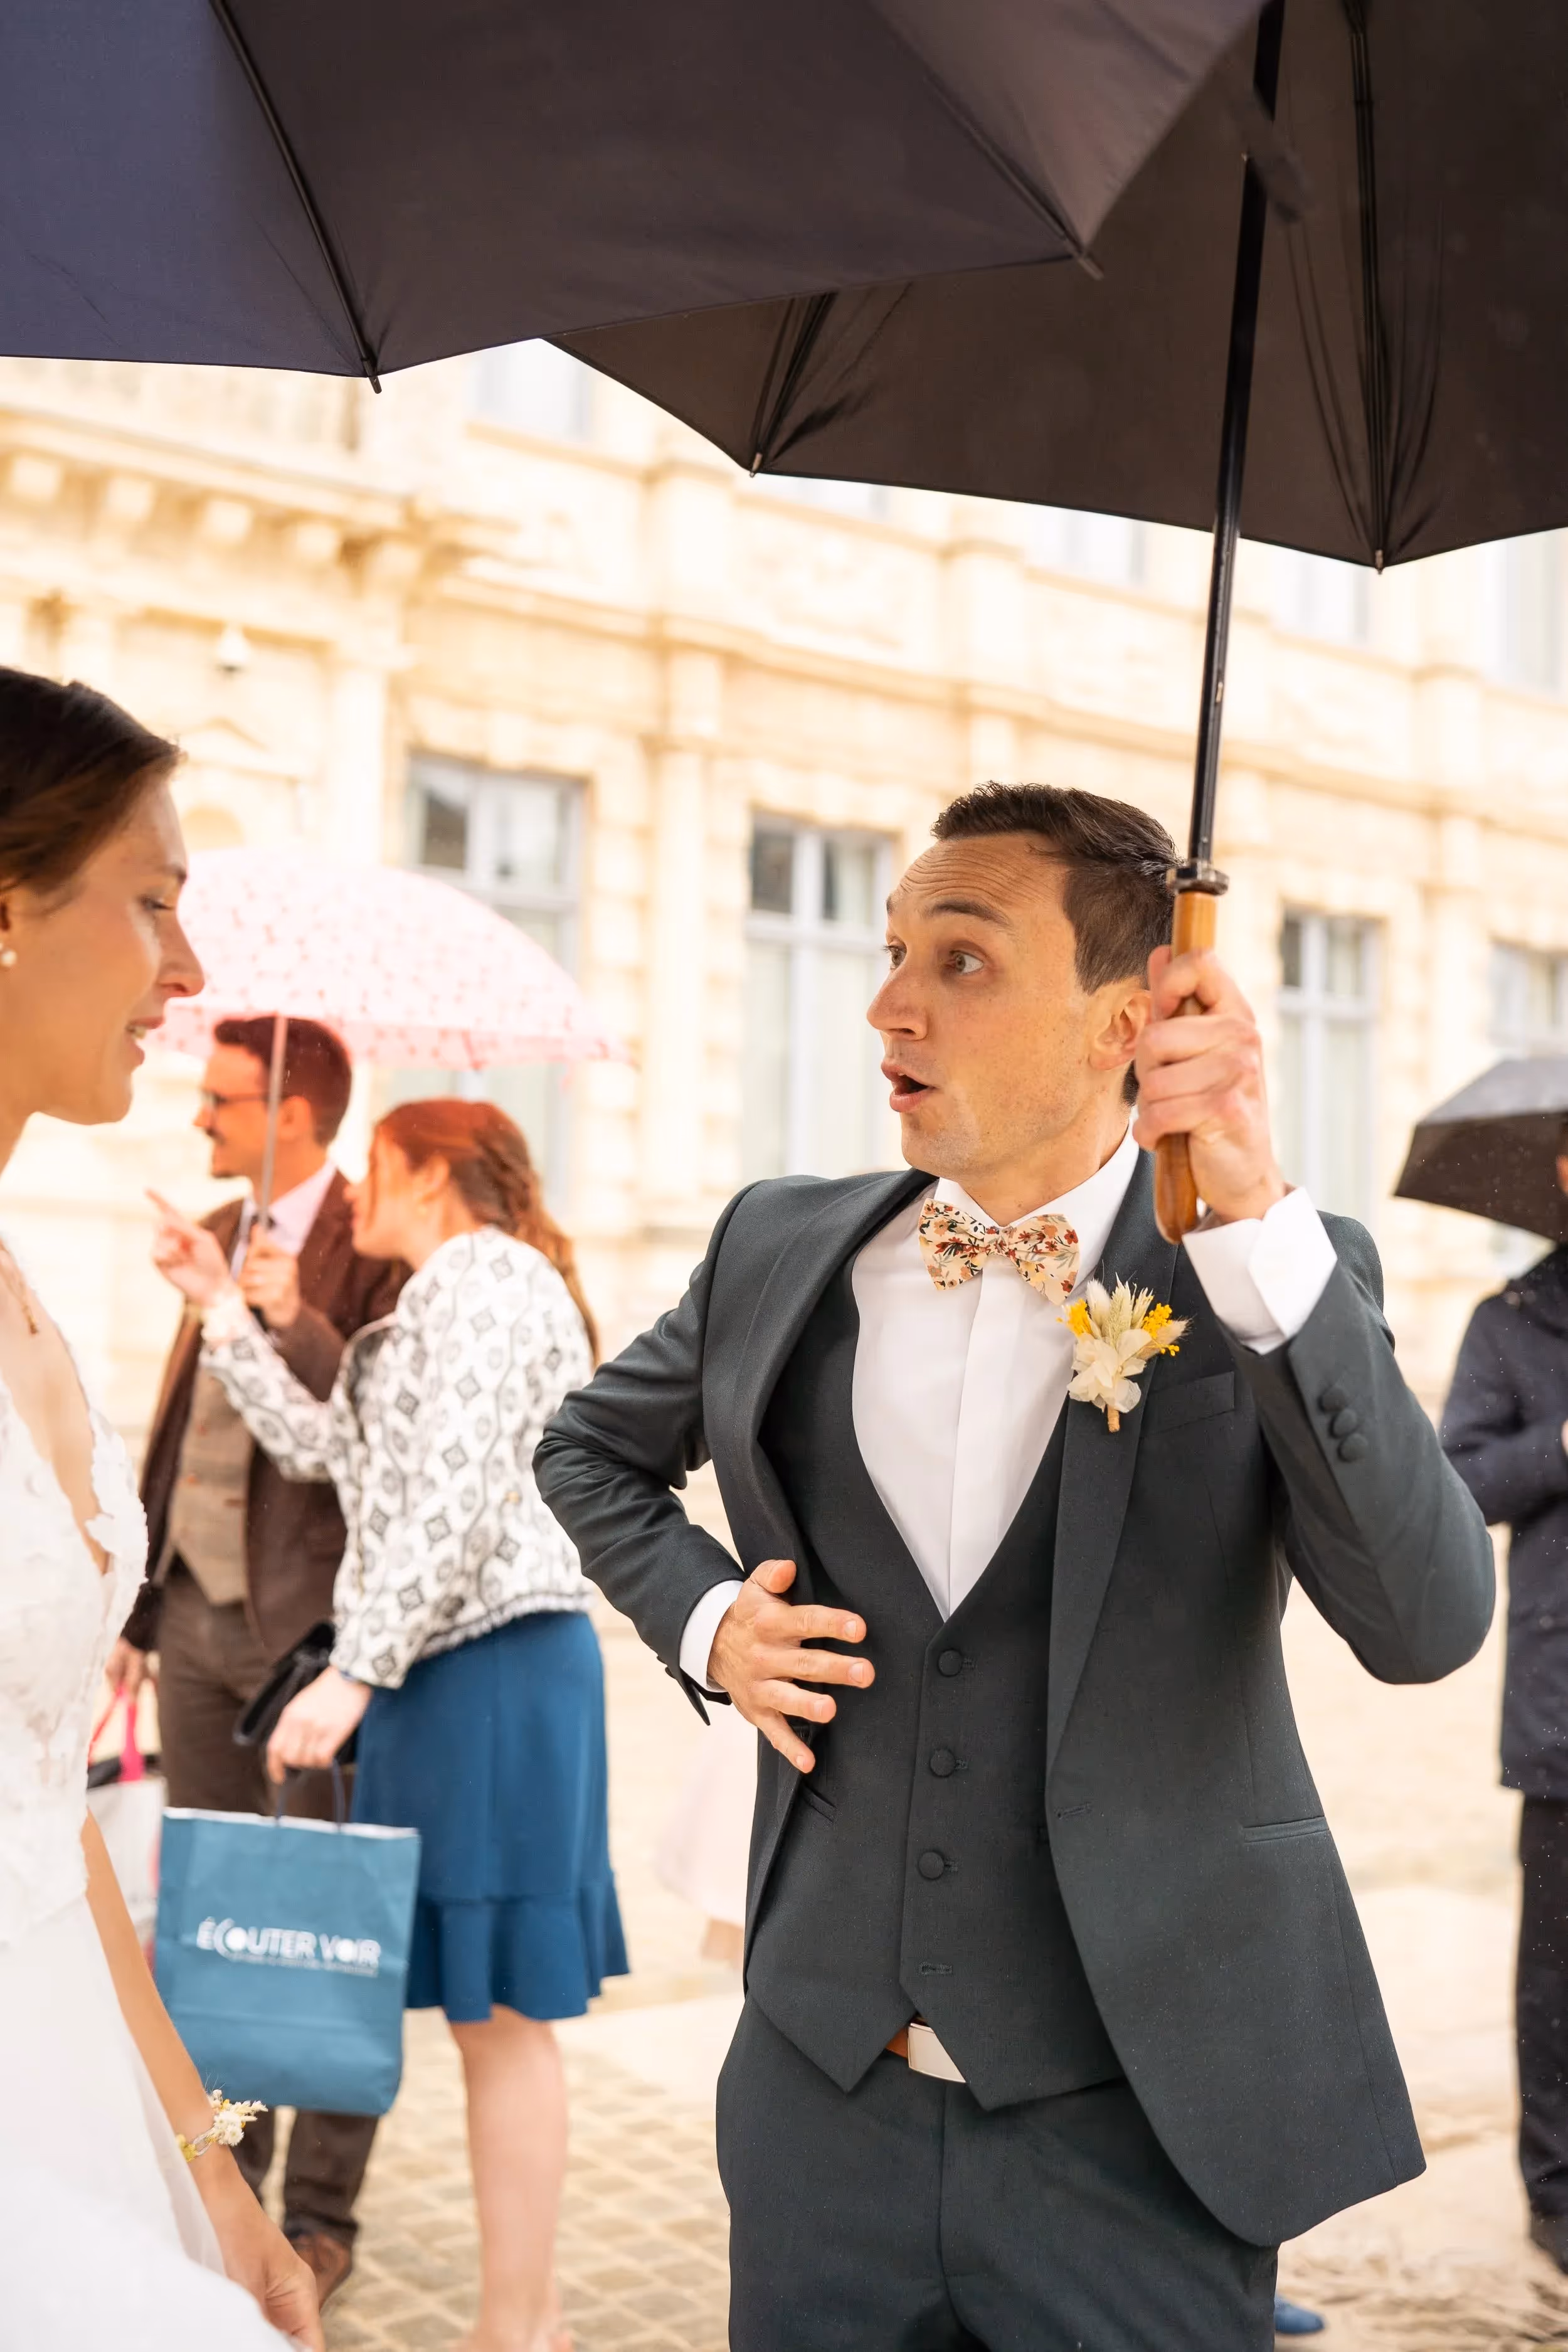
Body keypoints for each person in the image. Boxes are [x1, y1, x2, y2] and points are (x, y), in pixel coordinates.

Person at [535, 781, 1495, 2352]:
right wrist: (709, 1622)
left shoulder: (1266, 1273)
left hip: (1142, 2123)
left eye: (961, 960)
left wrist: (1252, 1220)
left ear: (1130, 1020)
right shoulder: (780, 1248)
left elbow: (1424, 1621)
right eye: (892, 951)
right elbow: (587, 1450)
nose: (888, 1006)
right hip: (818, 2103)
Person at [151, 1096, 627, 2352]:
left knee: (502, 2017)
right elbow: (324, 1452)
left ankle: (517, 2331)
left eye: (374, 1165)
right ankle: (525, 2322)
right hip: (448, 1674)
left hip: (491, 1672)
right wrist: (219, 1305)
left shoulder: (490, 1278)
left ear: (428, 1172)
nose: (356, 1190)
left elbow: (454, 1503)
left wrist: (353, 1672)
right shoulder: (438, 1297)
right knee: (487, 2021)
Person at [0, 662, 320, 2345]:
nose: (189, 971)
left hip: (71, 2054)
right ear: (6, 907)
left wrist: (213, 2179)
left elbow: (45, 1799)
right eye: (152, 901)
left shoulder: (27, 1289)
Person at [109, 1013, 404, 2307]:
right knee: (212, 1924)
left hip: (313, 1642)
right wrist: (136, 1614)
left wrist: (296, 1320)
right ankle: (230, 2187)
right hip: (192, 1619)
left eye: (221, 1099)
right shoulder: (219, 1228)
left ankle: (322, 2218)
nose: (200, 1117)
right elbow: (181, 1422)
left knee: (323, 1922)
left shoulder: (376, 1237)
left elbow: (380, 1427)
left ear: (290, 1110)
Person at [1441, 1145, 1568, 2274]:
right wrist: (1561, 1444)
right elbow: (1459, 1481)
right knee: (1559, 1973)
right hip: (1563, 1695)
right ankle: (1558, 2192)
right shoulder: (1512, 1320)